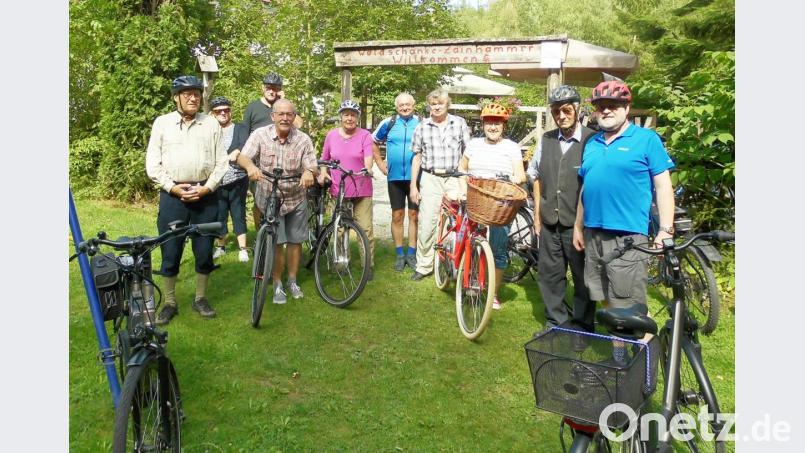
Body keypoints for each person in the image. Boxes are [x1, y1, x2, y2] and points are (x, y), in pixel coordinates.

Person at [573, 80, 676, 317]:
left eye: (613, 105)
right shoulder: (593, 143)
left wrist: (666, 230)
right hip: (593, 234)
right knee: (604, 298)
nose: (606, 110)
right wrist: (578, 227)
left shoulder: (647, 139)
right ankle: (620, 352)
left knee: (630, 306)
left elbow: (663, 186)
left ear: (627, 108)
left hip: (626, 237)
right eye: (601, 106)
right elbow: (585, 188)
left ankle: (643, 350)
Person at [145, 75, 228, 324]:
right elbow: (153, 164)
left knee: (204, 252)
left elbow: (222, 162)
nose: (193, 97)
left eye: (196, 93)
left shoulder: (212, 124)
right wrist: (173, 188)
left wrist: (207, 188)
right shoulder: (162, 123)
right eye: (187, 93)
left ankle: (200, 298)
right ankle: (170, 302)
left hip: (205, 197)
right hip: (173, 197)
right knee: (170, 251)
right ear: (176, 97)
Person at [526, 85, 595, 330]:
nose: (561, 116)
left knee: (583, 278)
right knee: (550, 275)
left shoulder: (591, 140)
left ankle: (583, 327)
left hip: (577, 224)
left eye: (566, 110)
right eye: (556, 111)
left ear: (577, 110)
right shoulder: (546, 140)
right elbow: (535, 176)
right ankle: (555, 322)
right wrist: (536, 216)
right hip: (548, 221)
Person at [236, 99, 318, 304]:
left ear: (294, 117)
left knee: (295, 241)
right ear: (273, 116)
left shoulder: (303, 139)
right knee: (277, 242)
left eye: (289, 114)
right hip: (270, 196)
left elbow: (312, 165)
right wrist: (250, 167)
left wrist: (309, 172)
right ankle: (277, 284)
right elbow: (243, 157)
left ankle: (292, 280)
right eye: (280, 114)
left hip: (296, 196)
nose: (285, 118)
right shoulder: (260, 135)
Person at [458, 103, 526, 310]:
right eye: (489, 122)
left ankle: (492, 294)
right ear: (483, 124)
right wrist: (463, 189)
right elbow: (462, 168)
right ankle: (470, 280)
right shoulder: (474, 144)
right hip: (477, 198)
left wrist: (513, 177)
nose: (493, 127)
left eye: (497, 122)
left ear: (503, 125)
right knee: (469, 241)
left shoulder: (511, 147)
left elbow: (521, 175)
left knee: (498, 249)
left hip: (499, 202)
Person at [409, 89, 470, 281]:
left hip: (454, 177)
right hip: (430, 177)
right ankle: (424, 265)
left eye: (440, 104)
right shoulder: (422, 126)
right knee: (427, 222)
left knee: (455, 222)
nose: (436, 107)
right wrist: (413, 186)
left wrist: (466, 182)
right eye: (433, 104)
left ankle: (451, 261)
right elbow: (417, 157)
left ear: (447, 104)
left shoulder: (459, 123)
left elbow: (467, 154)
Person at [319, 100, 376, 280]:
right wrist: (323, 173)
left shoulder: (365, 135)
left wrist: (367, 168)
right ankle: (342, 262)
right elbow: (324, 158)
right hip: (339, 188)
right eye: (346, 114)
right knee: (340, 228)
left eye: (353, 114)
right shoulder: (331, 135)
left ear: (357, 117)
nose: (349, 118)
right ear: (341, 116)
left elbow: (368, 157)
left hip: (361, 187)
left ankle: (368, 265)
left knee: (365, 228)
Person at [371, 93, 421, 272]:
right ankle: (400, 254)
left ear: (414, 105)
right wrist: (380, 163)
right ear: (396, 106)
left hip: (417, 177)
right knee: (397, 215)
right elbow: (373, 142)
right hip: (395, 177)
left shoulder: (422, 123)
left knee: (415, 216)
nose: (405, 107)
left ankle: (412, 253)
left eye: (408, 104)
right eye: (401, 105)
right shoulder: (389, 122)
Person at [209, 96, 250, 263]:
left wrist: (237, 151)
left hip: (237, 178)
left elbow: (245, 145)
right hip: (216, 180)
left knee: (238, 211)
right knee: (219, 212)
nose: (223, 113)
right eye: (219, 111)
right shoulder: (209, 131)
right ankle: (221, 246)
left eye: (226, 110)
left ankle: (243, 249)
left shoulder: (240, 128)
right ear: (213, 114)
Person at [243, 72, 285, 230]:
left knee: (281, 199)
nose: (272, 91)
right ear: (263, 88)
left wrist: (282, 102)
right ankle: (260, 235)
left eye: (275, 88)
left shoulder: (284, 107)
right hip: (258, 163)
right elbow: (244, 133)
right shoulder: (253, 107)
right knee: (259, 202)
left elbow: (299, 124)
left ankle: (278, 234)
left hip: (282, 159)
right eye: (269, 87)